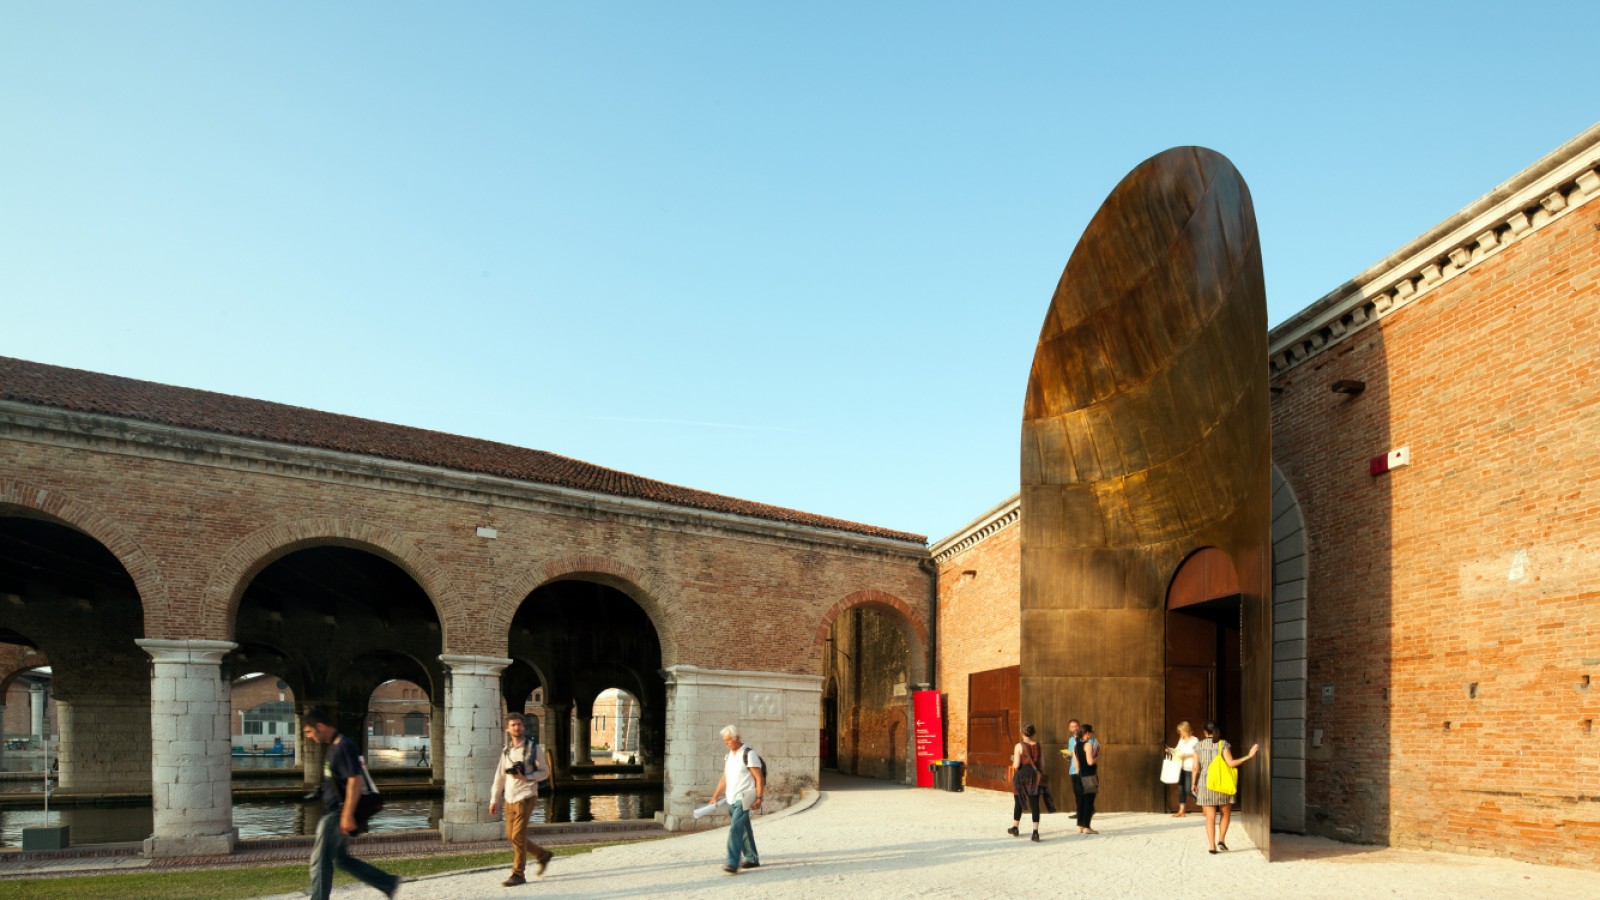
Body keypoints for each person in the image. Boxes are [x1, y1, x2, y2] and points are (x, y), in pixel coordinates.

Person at [301, 707, 401, 900]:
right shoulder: (335, 747)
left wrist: (347, 815)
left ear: (319, 726)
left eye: (309, 731)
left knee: (319, 861)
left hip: (335, 814)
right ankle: (387, 882)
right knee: (340, 859)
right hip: (335, 811)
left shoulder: (343, 746)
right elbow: (340, 781)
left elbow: (354, 781)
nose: (309, 736)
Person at [489, 712, 553, 887]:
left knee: (517, 834)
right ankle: (542, 855)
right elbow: (499, 776)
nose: (517, 727)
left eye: (519, 724)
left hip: (526, 796)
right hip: (509, 797)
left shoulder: (533, 748)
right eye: (513, 725)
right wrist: (494, 799)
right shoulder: (506, 751)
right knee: (512, 836)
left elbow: (545, 772)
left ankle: (518, 874)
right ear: (507, 729)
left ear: (524, 727)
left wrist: (527, 776)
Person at [1191, 720, 1260, 854]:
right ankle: (1221, 840)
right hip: (1223, 783)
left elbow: (1195, 767)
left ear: (1205, 732)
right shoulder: (1223, 744)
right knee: (1225, 813)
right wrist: (1249, 756)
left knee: (1210, 817)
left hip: (1206, 784)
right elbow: (1231, 763)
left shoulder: (1198, 746)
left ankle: (1212, 846)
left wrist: (1193, 783)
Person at [708, 724, 764, 875]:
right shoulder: (728, 756)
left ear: (737, 738)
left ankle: (733, 862)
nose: (726, 743)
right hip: (731, 798)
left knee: (735, 829)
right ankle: (752, 858)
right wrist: (715, 797)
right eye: (725, 741)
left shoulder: (749, 754)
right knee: (744, 828)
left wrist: (759, 798)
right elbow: (724, 779)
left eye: (728, 741)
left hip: (743, 798)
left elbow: (759, 778)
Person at [1007, 721, 1044, 842]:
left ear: (1022, 732)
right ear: (1033, 732)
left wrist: (1013, 760)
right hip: (1034, 775)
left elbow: (1016, 764)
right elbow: (1043, 764)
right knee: (1035, 804)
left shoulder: (1019, 746)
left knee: (1018, 802)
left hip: (1022, 775)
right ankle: (1035, 832)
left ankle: (1015, 827)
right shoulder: (1038, 745)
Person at [1073, 723, 1100, 834]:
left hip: (1080, 775)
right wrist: (1098, 756)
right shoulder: (1088, 745)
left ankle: (1080, 825)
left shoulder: (1076, 745)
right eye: (1090, 733)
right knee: (1089, 801)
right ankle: (1087, 826)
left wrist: (1079, 774)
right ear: (1087, 733)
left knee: (1081, 801)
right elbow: (1090, 762)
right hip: (1089, 775)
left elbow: (1076, 763)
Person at [1169, 720, 1199, 817]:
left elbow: (1197, 753)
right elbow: (1178, 750)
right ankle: (1181, 811)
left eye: (1181, 731)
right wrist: (1171, 750)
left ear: (1185, 730)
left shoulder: (1195, 740)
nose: (1179, 733)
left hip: (1190, 766)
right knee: (1181, 788)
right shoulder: (1181, 740)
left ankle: (1205, 803)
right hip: (1180, 766)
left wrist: (1186, 755)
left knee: (1189, 789)